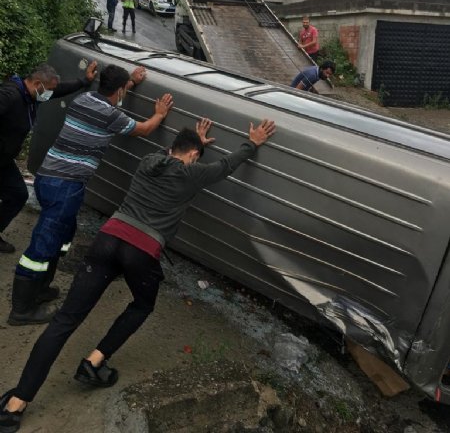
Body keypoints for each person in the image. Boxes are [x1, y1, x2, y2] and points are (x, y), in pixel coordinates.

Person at [0, 116, 275, 433]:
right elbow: (227, 165)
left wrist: (195, 143)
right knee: (142, 305)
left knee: (64, 321)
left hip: (107, 239)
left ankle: (16, 404)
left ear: (172, 148)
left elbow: (170, 157)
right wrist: (252, 142)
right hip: (140, 251)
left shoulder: (149, 162)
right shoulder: (194, 174)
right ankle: (94, 362)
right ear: (194, 156)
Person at [8, 64, 173, 327]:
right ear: (119, 90)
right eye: (124, 89)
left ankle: (40, 289)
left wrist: (129, 81)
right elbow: (143, 129)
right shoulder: (111, 116)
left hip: (49, 178)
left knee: (63, 235)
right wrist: (160, 114)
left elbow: (112, 98)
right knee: (43, 244)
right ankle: (21, 309)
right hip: (65, 185)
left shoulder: (83, 99)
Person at [0, 61, 98, 254]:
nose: (49, 93)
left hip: (3, 161)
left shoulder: (31, 95)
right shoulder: (9, 96)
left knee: (18, 194)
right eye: (48, 89)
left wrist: (84, 81)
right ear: (38, 84)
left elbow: (59, 90)